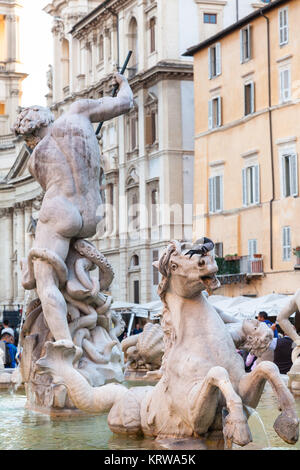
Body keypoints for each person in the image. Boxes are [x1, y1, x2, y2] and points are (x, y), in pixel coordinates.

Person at [13, 73, 133, 347]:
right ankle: (84, 318)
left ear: (29, 138)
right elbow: (125, 103)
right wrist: (123, 84)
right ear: (48, 118)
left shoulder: (34, 163)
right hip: (91, 214)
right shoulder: (78, 112)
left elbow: (55, 185)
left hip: (60, 209)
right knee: (65, 270)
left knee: (44, 284)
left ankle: (65, 347)